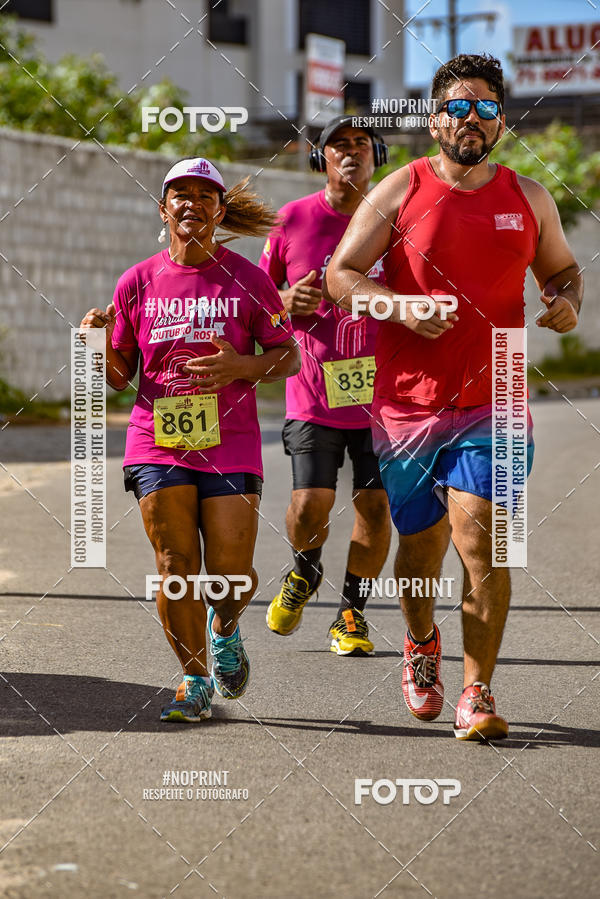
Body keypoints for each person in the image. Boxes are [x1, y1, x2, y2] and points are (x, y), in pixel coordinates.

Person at [324, 55, 582, 738]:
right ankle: (420, 642)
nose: (474, 120)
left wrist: (565, 301)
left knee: (484, 539)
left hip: (497, 393)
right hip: (406, 404)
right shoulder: (399, 188)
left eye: (488, 108)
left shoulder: (530, 197)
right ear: (434, 117)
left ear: (502, 119)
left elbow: (561, 269)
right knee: (419, 552)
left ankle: (479, 691)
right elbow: (341, 274)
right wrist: (400, 308)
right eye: (460, 108)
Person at [80, 157, 299, 722]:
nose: (193, 204)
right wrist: (96, 343)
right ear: (164, 208)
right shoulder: (137, 281)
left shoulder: (247, 278)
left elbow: (290, 355)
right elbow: (119, 376)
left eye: (206, 196)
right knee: (175, 564)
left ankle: (224, 629)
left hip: (230, 442)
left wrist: (240, 368)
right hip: (157, 440)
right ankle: (194, 676)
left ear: (219, 211)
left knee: (231, 576)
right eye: (181, 193)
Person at [259, 115, 392, 656]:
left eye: (361, 143)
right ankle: (304, 570)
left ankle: (352, 615)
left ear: (377, 154)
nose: (351, 152)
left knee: (375, 508)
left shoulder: (397, 219)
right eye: (339, 144)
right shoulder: (291, 220)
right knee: (310, 503)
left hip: (386, 400)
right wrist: (285, 304)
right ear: (320, 158)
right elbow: (256, 304)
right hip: (313, 393)